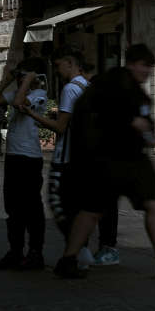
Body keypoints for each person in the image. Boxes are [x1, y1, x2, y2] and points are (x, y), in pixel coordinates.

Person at [54, 44, 155, 280]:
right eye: (144, 66)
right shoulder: (113, 83)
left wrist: (145, 129)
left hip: (130, 158)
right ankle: (68, 258)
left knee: (152, 202)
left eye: (150, 66)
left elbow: (141, 117)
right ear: (132, 63)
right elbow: (105, 116)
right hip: (107, 158)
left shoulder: (133, 88)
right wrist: (132, 123)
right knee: (93, 210)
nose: (147, 71)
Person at [43, 49, 120, 268]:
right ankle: (102, 247)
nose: (57, 71)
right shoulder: (87, 87)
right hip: (93, 156)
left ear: (70, 63)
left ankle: (78, 250)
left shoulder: (70, 89)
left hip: (72, 157)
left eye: (58, 66)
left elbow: (61, 127)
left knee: (68, 206)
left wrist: (34, 116)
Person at [0, 62, 49, 269]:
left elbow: (19, 102)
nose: (20, 79)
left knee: (32, 207)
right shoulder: (19, 90)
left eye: (23, 76)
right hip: (13, 156)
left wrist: (27, 80)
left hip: (29, 157)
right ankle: (15, 251)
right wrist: (6, 81)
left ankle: (36, 253)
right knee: (13, 207)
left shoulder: (39, 94)